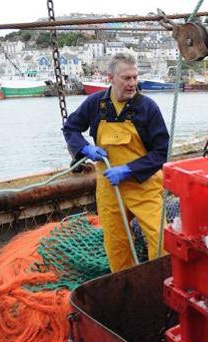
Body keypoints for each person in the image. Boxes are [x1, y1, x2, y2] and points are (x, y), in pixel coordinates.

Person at [62, 53, 169, 272]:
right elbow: (70, 127)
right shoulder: (96, 104)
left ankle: (162, 286)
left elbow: (161, 152)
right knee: (116, 244)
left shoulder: (148, 108)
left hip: (144, 186)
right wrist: (83, 148)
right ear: (110, 78)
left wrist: (129, 169)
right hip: (110, 188)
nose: (132, 84)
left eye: (135, 77)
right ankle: (127, 288)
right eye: (126, 78)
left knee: (162, 240)